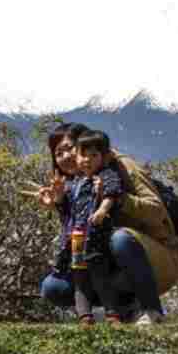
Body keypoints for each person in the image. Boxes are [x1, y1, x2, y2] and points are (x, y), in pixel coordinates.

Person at [37, 122, 178, 325]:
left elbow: (157, 212)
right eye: (58, 153)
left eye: (70, 148)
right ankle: (119, 309)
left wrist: (116, 199)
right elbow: (79, 229)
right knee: (53, 287)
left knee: (120, 239)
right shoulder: (75, 184)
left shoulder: (120, 167)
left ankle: (152, 310)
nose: (65, 157)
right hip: (104, 260)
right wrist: (59, 203)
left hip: (158, 256)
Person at [55, 130, 127, 325]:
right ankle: (84, 317)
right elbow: (67, 208)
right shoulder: (74, 182)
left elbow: (112, 193)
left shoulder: (106, 175)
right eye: (83, 155)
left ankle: (113, 314)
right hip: (76, 239)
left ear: (104, 157)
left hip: (96, 238)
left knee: (99, 276)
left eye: (94, 155)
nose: (87, 160)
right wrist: (57, 197)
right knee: (79, 278)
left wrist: (103, 209)